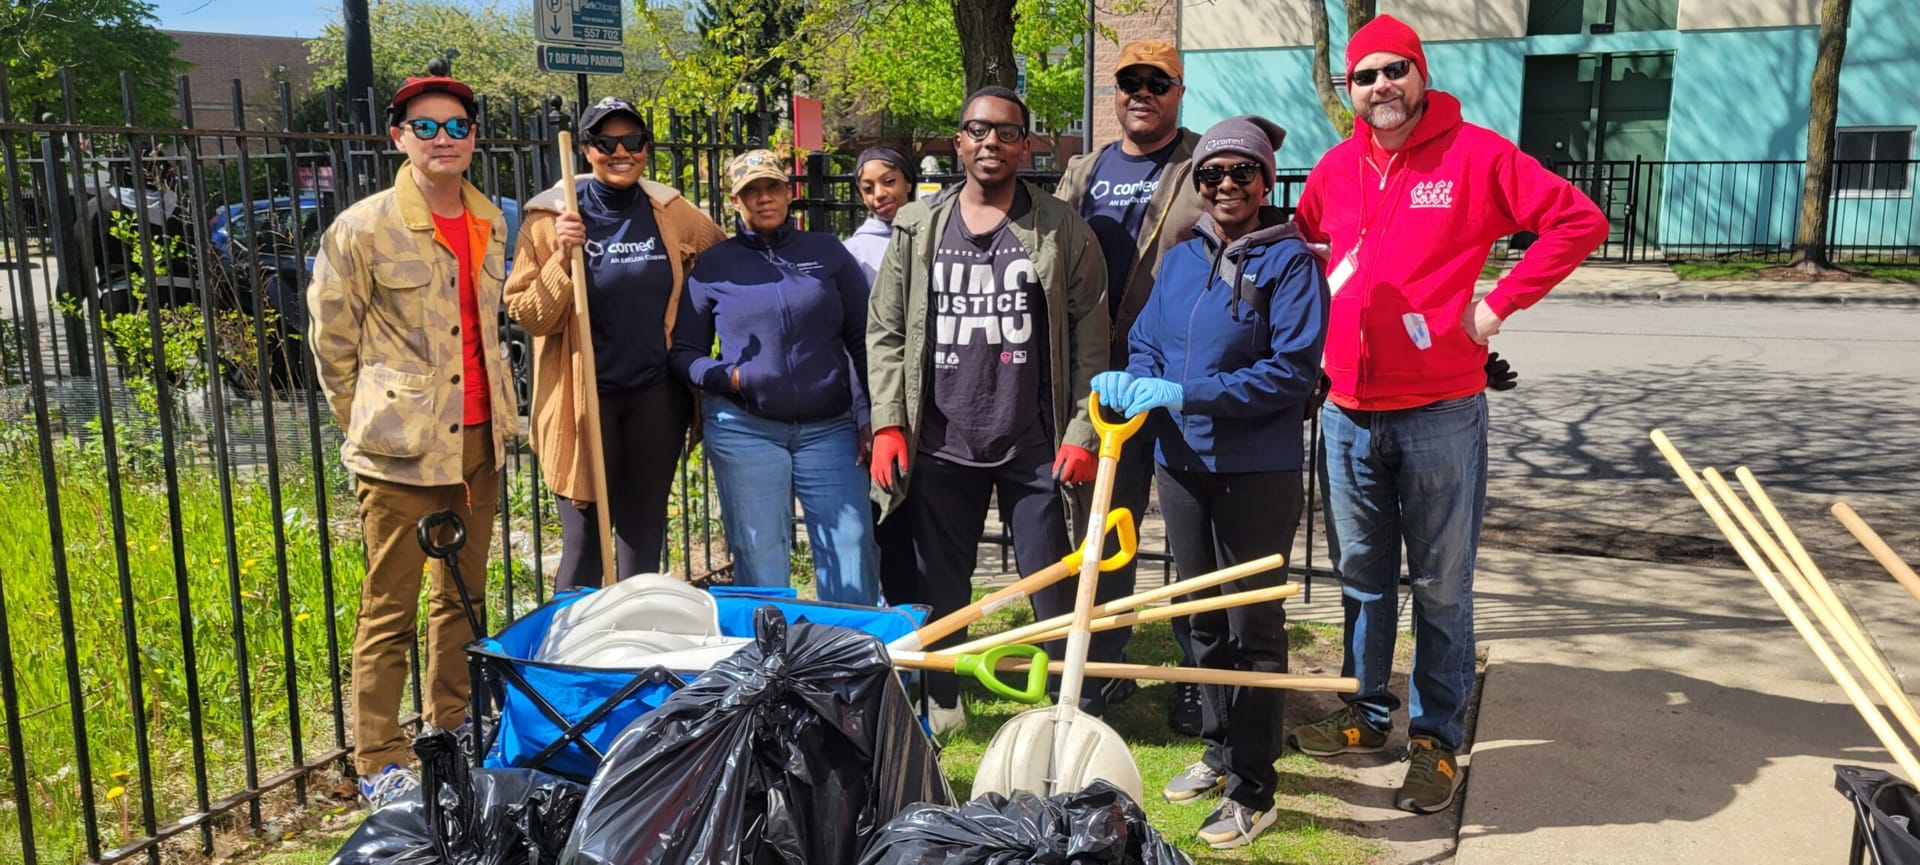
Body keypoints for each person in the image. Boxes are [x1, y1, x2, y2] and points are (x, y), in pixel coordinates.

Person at [1286, 14, 1608, 814]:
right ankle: (1366, 714)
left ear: (1420, 74)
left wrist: (1493, 310)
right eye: (1365, 76)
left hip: (1438, 412)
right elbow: (1303, 260)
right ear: (1350, 90)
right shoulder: (1333, 169)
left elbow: (1578, 221)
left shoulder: (1475, 156)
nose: (1381, 87)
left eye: (1396, 70)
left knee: (1439, 585)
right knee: (1359, 581)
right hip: (1348, 415)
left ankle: (1435, 738)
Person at [1094, 115, 1326, 849]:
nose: (1227, 185)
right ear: (1197, 185)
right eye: (1213, 174)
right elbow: (1147, 340)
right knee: (1197, 616)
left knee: (1251, 625)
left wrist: (1189, 395)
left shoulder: (1290, 264)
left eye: (1242, 173)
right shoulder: (1183, 257)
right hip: (1181, 463)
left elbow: (1291, 373)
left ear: (1265, 183)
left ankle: (1256, 790)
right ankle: (1223, 750)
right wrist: (1135, 384)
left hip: (1256, 469)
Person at [306, 66, 520, 810]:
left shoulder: (493, 221)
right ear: (398, 137)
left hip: (478, 439)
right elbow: (332, 346)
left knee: (460, 597)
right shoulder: (362, 227)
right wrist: (371, 420)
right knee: (388, 604)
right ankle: (378, 756)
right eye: (424, 126)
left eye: (456, 126)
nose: (442, 139)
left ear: (472, 139)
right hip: (400, 449)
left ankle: (452, 724)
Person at [866, 86, 1108, 734]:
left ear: (1025, 144)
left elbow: (1091, 338)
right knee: (941, 581)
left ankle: (1067, 706)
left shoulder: (1061, 228)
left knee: (1051, 583)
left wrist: (1083, 429)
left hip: (1035, 443)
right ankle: (942, 698)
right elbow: (886, 329)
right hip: (941, 439)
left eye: (1005, 132)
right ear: (960, 140)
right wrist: (890, 420)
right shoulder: (919, 227)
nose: (990, 142)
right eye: (977, 130)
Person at [505, 97, 726, 589]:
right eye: (606, 142)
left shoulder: (671, 212)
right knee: (583, 544)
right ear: (587, 149)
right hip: (582, 401)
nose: (620, 151)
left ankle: (630, 648)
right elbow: (527, 314)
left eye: (632, 141)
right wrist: (562, 257)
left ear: (646, 149)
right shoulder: (549, 220)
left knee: (642, 537)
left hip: (654, 395)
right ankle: (569, 653)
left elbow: (726, 259)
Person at [1054, 38, 1208, 727]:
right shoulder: (1083, 170)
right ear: (1114, 93)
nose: (1141, 92)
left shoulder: (1204, 161)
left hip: (1174, 378)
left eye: (1158, 82)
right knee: (1103, 527)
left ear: (1178, 92)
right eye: (1129, 82)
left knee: (1191, 532)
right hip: (1099, 380)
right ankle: (1106, 663)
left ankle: (1197, 673)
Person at [669, 149, 879, 605]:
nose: (763, 199)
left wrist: (870, 418)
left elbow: (862, 338)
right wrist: (731, 378)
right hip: (746, 430)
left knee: (852, 548)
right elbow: (684, 353)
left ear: (789, 193)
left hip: (830, 429)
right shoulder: (714, 266)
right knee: (760, 557)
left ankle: (850, 664)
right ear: (734, 201)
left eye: (772, 188)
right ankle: (773, 667)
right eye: (751, 192)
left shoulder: (826, 253)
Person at [842, 147, 920, 604]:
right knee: (892, 521)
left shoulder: (937, 230)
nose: (878, 195)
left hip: (939, 399)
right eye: (867, 188)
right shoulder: (856, 252)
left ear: (908, 181)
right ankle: (899, 619)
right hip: (885, 402)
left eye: (888, 181)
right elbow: (858, 340)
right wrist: (864, 413)